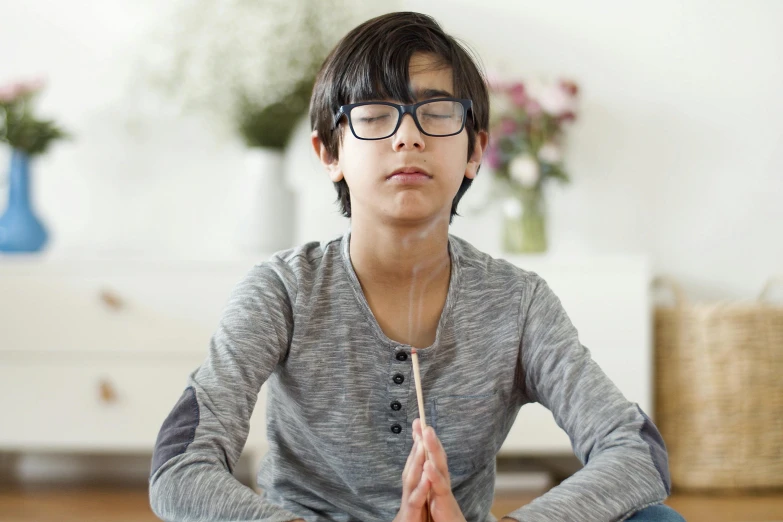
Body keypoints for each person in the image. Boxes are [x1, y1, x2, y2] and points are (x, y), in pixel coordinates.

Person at [149, 11, 685, 522]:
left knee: (655, 518)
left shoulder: (518, 302)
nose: (408, 136)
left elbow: (635, 450)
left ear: (475, 150)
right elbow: (178, 468)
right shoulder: (283, 291)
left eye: (437, 111)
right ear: (328, 151)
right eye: (376, 115)